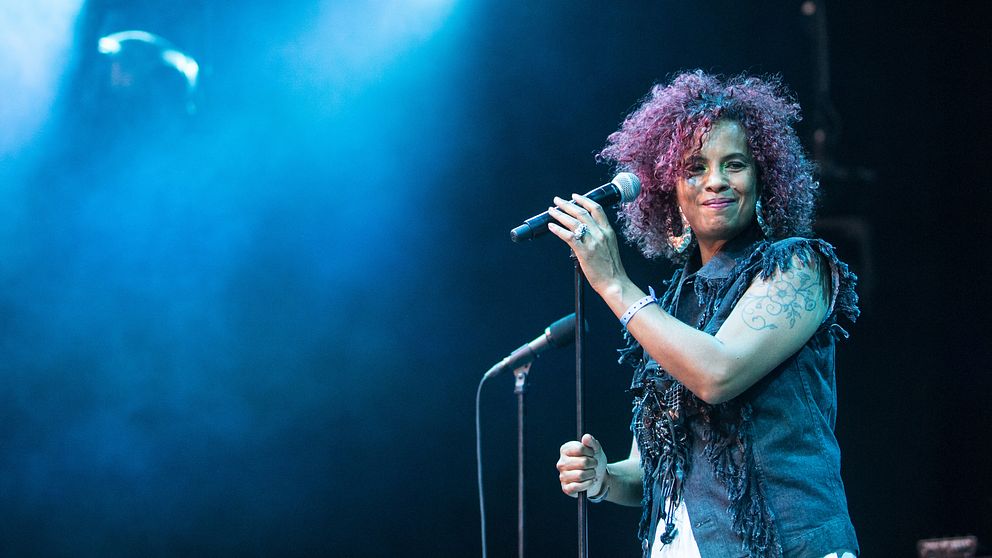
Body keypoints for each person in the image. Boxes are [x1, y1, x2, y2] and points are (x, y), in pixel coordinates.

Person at [550, 71, 859, 558]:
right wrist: (605, 478)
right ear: (668, 189)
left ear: (763, 178)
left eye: (734, 164)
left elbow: (718, 372)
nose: (716, 180)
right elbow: (651, 470)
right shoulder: (671, 306)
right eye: (695, 167)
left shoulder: (799, 266)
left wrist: (613, 282)